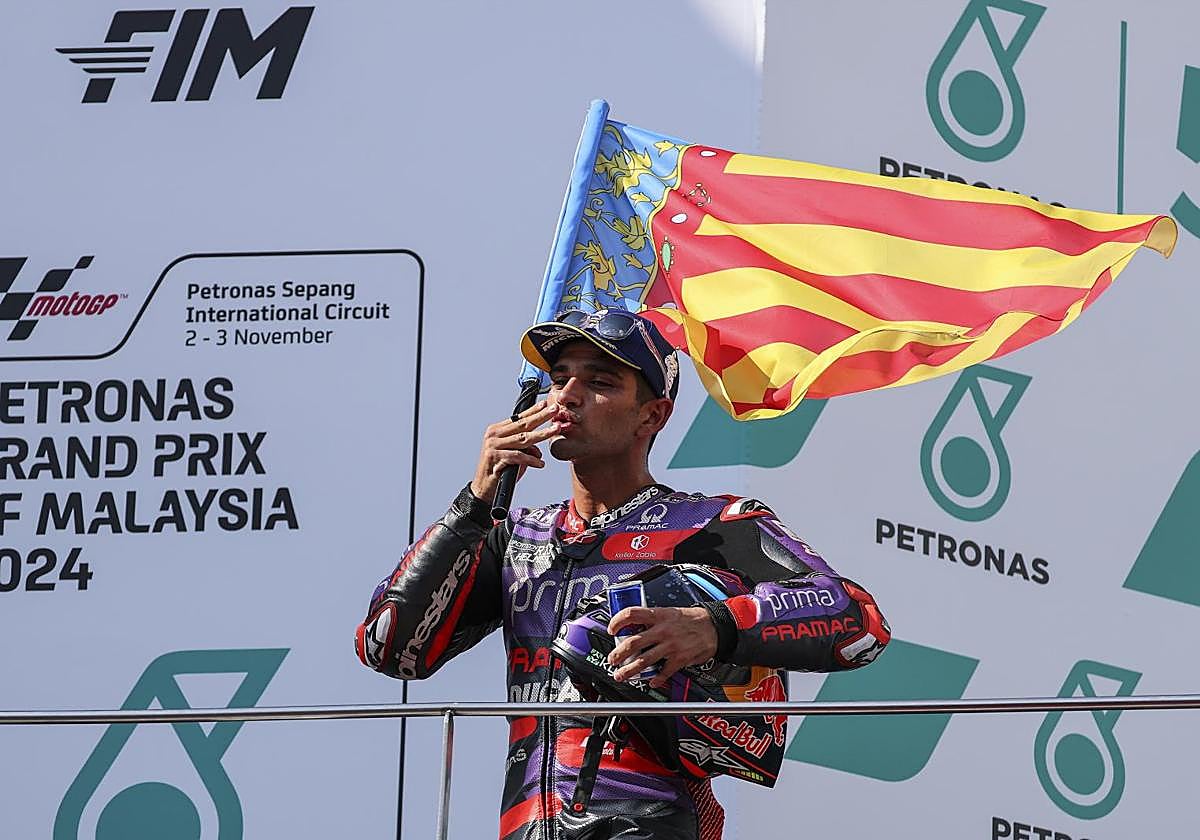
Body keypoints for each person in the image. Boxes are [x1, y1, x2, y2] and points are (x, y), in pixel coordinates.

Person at [355, 308, 890, 840]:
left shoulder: (712, 524)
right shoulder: (512, 537)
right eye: (559, 379)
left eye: (600, 382)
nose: (566, 396)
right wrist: (473, 506)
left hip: (650, 826)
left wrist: (712, 627)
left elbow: (859, 622)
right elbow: (389, 648)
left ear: (651, 417)